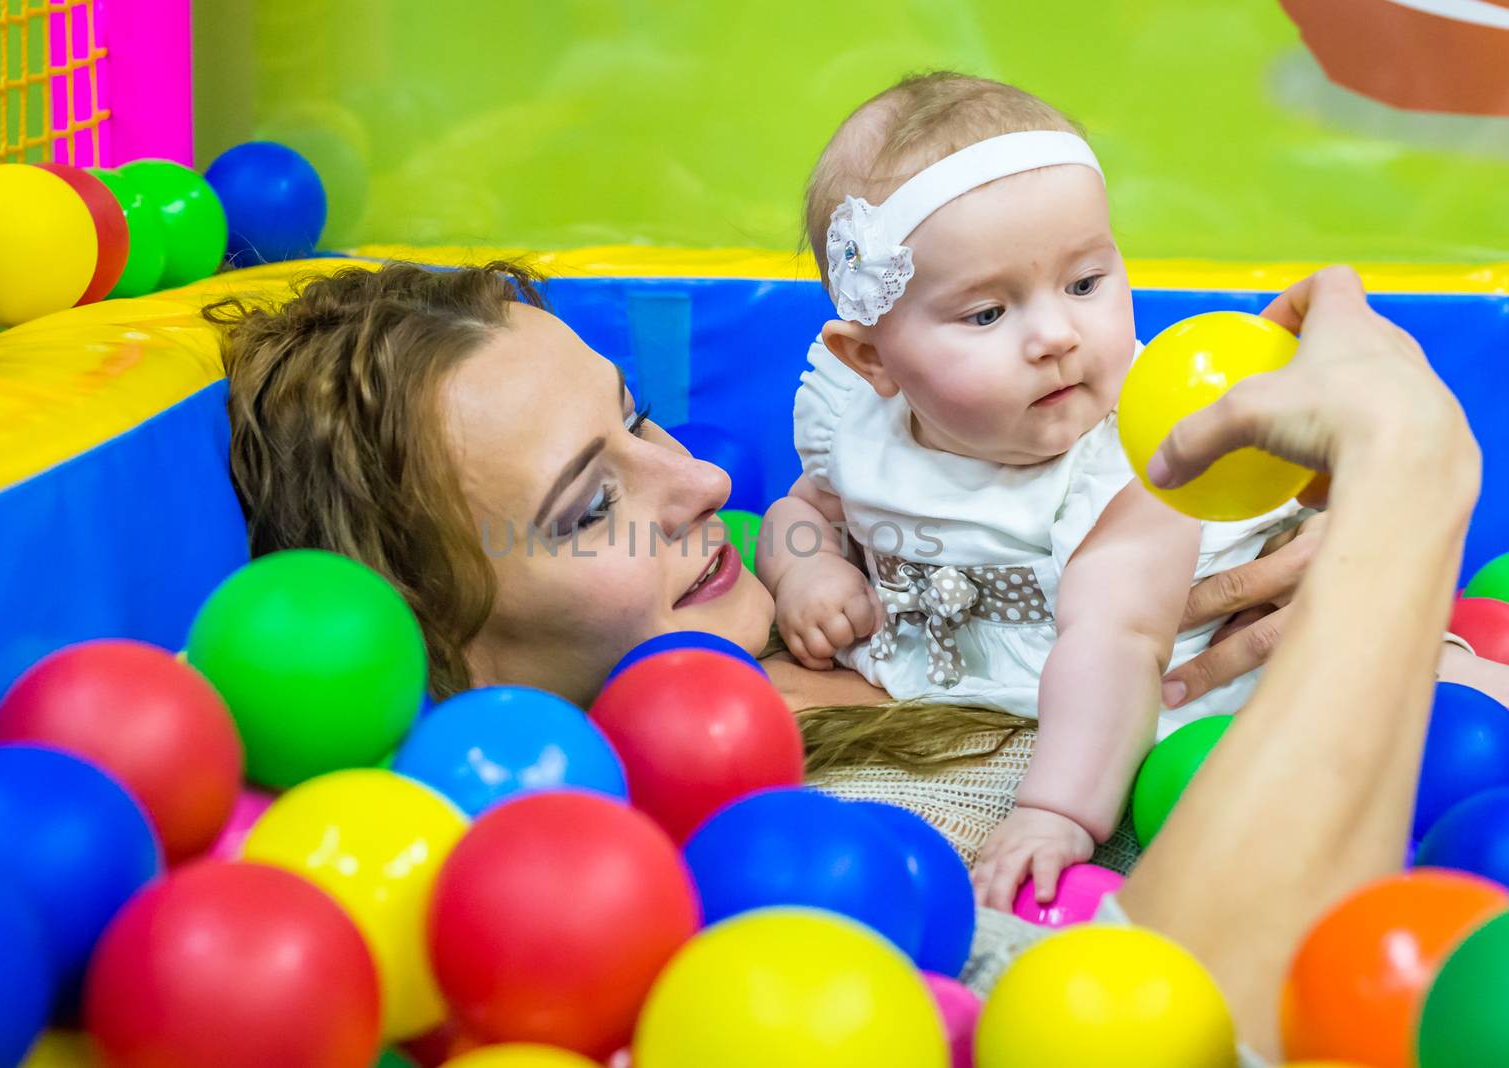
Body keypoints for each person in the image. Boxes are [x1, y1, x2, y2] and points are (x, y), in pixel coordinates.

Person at [211, 257, 1493, 1061]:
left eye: (639, 417)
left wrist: (1209, 613)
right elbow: (1181, 1019)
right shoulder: (768, 854)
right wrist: (1404, 501)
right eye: (589, 507)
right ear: (455, 665)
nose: (703, 480)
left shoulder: (869, 555)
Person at [756, 73, 1314, 909]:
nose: (1056, 336)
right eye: (987, 314)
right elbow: (798, 510)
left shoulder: (1136, 459)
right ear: (872, 361)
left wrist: (1056, 813)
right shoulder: (858, 428)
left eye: (1086, 283)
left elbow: (1118, 638)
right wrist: (808, 571)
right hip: (956, 695)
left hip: (1132, 707)